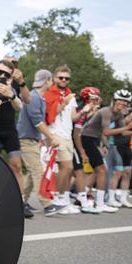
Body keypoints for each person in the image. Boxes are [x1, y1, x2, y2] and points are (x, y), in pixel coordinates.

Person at [79, 89, 132, 213]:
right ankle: (99, 203)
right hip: (86, 138)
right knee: (102, 170)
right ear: (114, 100)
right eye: (120, 100)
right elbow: (106, 132)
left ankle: (84, 196)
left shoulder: (119, 114)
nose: (123, 103)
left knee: (97, 171)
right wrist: (127, 126)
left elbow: (122, 132)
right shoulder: (106, 112)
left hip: (95, 140)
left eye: (125, 101)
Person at [16, 70, 61, 218]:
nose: (52, 83)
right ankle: (47, 204)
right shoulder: (34, 98)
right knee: (37, 171)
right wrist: (52, 137)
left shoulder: (38, 98)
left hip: (32, 140)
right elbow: (37, 122)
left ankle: (21, 201)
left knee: (31, 173)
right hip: (25, 140)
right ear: (47, 81)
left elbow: (38, 124)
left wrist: (45, 141)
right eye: (51, 80)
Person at [43, 66, 80, 214]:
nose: (64, 80)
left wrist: (86, 111)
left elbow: (73, 117)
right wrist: (64, 102)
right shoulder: (49, 93)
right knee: (66, 167)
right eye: (61, 77)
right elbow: (50, 115)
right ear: (55, 78)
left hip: (67, 134)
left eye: (67, 78)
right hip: (55, 134)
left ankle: (64, 200)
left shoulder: (70, 95)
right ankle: (55, 199)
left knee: (68, 169)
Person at [0, 59, 24, 197]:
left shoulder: (12, 89)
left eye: (7, 74)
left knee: (16, 165)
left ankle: (21, 201)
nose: (2, 76)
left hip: (9, 129)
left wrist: (10, 94)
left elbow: (20, 107)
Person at [72, 86, 102, 213]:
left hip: (73, 139)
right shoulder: (81, 110)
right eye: (93, 99)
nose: (96, 102)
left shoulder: (85, 110)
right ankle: (81, 200)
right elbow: (76, 133)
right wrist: (82, 151)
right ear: (86, 99)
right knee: (77, 171)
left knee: (75, 172)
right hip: (71, 140)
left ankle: (76, 197)